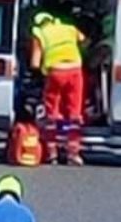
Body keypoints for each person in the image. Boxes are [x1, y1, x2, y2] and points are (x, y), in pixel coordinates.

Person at [31, 11, 88, 165]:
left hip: (55, 72)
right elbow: (83, 40)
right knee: (74, 113)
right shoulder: (69, 28)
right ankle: (73, 153)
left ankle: (52, 153)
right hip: (75, 71)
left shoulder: (39, 33)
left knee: (52, 114)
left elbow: (34, 63)